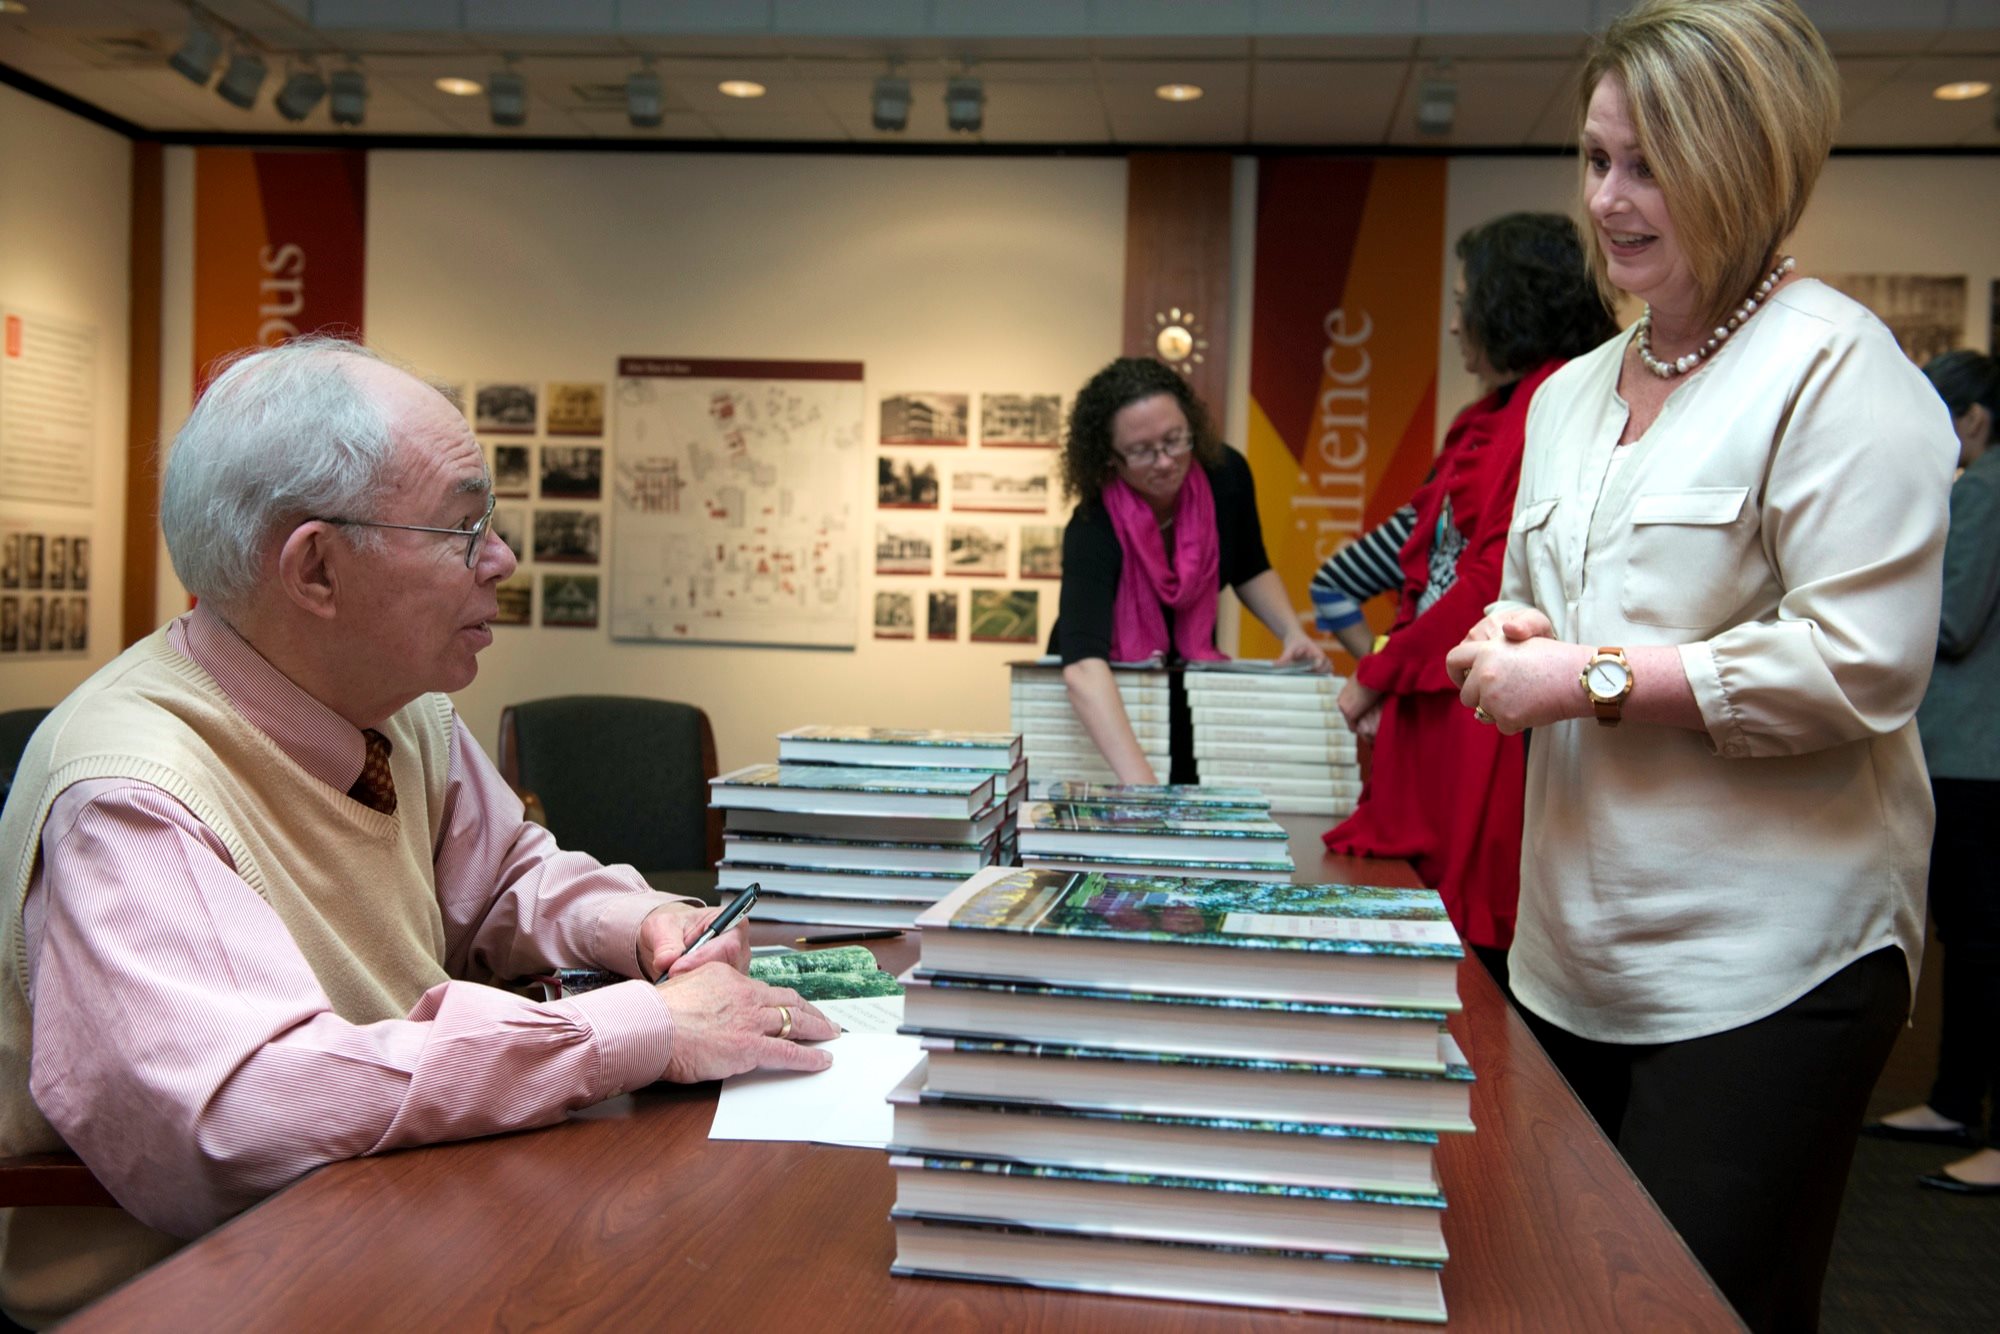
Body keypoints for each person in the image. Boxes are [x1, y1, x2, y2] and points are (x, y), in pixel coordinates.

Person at [0, 338, 838, 1328]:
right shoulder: (130, 790)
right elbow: (243, 1111)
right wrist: (633, 1030)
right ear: (316, 567)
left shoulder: (395, 707)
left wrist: (635, 917)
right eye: (462, 525)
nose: (502, 558)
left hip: (387, 1221)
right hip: (199, 1290)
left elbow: (500, 876)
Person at [1443, 2, 1956, 1328]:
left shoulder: (1840, 369)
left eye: (1648, 165)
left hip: (1768, 966)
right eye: (1596, 157)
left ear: (1746, 167)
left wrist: (1592, 677)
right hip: (1575, 955)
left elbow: (1863, 664)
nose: (1607, 200)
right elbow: (1547, 602)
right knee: (1550, 1292)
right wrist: (1515, 636)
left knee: (1686, 1309)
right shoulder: (1567, 394)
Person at [1311, 213, 1617, 983]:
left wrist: (1376, 671)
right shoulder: (1491, 412)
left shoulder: (1557, 403)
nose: (1454, 322)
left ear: (1510, 303)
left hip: (1485, 707)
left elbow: (1489, 581)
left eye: (1464, 301)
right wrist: (1386, 664)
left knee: (1470, 967)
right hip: (1449, 699)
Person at [1051, 357, 1330, 784]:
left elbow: (1250, 566)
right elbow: (1083, 668)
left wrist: (1292, 632)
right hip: (1103, 701)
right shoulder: (1092, 525)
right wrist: (1142, 786)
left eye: (1174, 440)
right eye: (1142, 451)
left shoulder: (1226, 475)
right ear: (1110, 458)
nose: (1164, 462)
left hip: (1187, 680)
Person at [1862, 349, 2000, 1196]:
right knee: (1974, 941)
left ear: (1973, 421)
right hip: (1974, 750)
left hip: (1973, 752)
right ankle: (1953, 1101)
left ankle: (1972, 1114)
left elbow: (1945, 622)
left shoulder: (1982, 488)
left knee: (1984, 944)